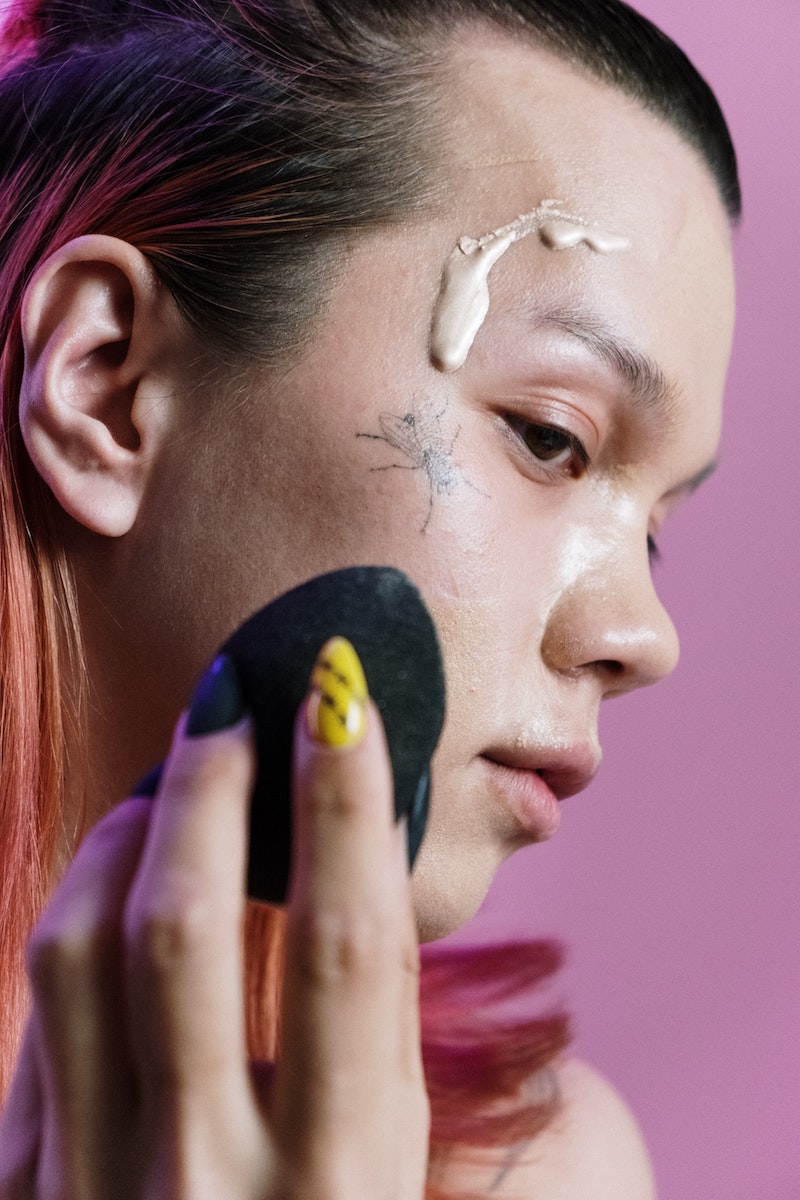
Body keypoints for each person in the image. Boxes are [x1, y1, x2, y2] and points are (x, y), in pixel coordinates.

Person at [0, 0, 739, 1195]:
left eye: (653, 531)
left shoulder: (524, 1172)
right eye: (551, 439)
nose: (641, 638)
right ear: (107, 388)